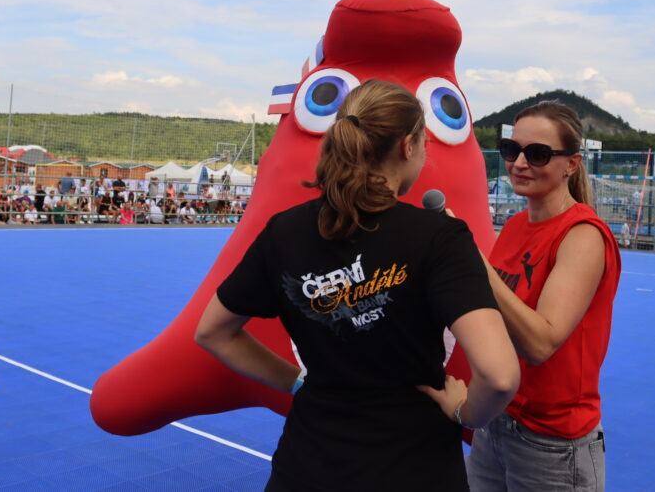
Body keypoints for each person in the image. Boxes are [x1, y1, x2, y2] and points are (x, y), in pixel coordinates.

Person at [195, 80, 520, 492]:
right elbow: (499, 375)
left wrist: (296, 381)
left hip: (308, 464)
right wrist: (466, 413)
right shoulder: (440, 237)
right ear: (407, 146)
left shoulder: (285, 232)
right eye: (424, 143)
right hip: (415, 466)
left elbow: (213, 332)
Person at [467, 101, 621, 492]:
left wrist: (476, 266)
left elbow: (541, 343)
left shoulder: (583, 236)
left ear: (571, 164)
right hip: (496, 421)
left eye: (537, 154)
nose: (519, 163)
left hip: (553, 444)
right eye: (511, 150)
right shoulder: (515, 226)